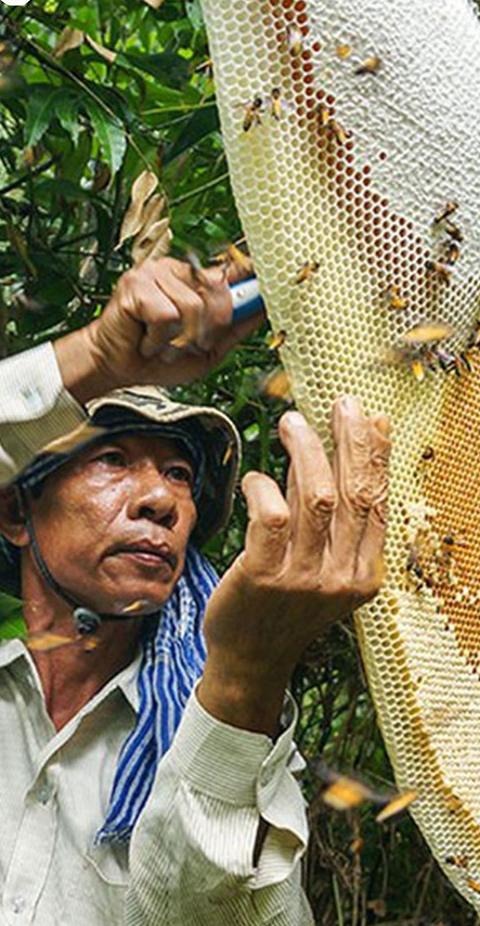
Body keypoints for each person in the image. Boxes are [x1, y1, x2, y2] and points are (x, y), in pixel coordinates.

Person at [0, 256, 391, 924]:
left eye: (180, 473)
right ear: (15, 514)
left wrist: (244, 681)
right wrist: (96, 353)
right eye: (112, 459)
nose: (161, 499)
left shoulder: (199, 720)